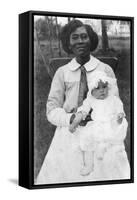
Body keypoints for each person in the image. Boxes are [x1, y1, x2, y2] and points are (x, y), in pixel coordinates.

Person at [36, 19, 130, 184]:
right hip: (70, 131)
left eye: (84, 36)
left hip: (100, 131)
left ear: (91, 40)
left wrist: (116, 122)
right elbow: (51, 109)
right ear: (68, 43)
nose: (80, 41)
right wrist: (70, 118)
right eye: (74, 37)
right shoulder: (62, 72)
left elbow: (115, 103)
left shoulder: (105, 70)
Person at [69, 71, 128, 176]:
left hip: (110, 123)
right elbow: (84, 109)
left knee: (109, 136)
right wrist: (78, 117)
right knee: (86, 139)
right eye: (98, 88)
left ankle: (102, 147)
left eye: (104, 87)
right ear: (91, 91)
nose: (102, 90)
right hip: (96, 124)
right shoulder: (91, 99)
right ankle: (89, 165)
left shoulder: (113, 99)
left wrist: (120, 115)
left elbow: (119, 107)